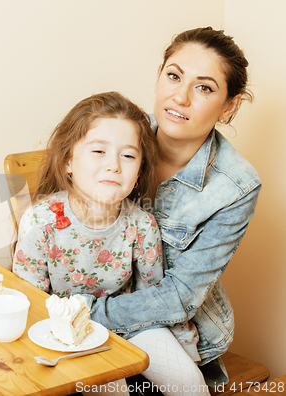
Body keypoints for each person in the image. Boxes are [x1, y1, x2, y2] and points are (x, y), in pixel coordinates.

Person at [76, 27, 261, 395]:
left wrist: (86, 315)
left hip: (171, 327)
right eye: (174, 76)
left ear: (230, 105)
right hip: (84, 308)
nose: (181, 96)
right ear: (160, 77)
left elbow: (180, 295)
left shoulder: (236, 186)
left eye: (204, 87)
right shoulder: (115, 133)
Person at [12, 91, 209, 395]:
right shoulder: (40, 222)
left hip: (131, 324)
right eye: (98, 151)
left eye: (128, 155)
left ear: (139, 171)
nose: (114, 166)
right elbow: (30, 305)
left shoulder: (141, 223)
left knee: (189, 384)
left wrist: (187, 354)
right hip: (65, 331)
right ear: (68, 161)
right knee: (112, 387)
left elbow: (154, 300)